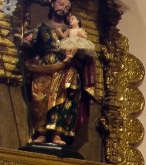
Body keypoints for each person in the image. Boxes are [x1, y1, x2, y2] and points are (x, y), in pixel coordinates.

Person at [17, 0, 96, 148]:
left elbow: (83, 53)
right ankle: (41, 133)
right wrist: (23, 43)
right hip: (47, 67)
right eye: (60, 4)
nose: (63, 9)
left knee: (64, 99)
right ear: (52, 5)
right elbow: (29, 42)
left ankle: (58, 134)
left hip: (68, 68)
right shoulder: (42, 27)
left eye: (67, 7)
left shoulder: (71, 30)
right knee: (42, 99)